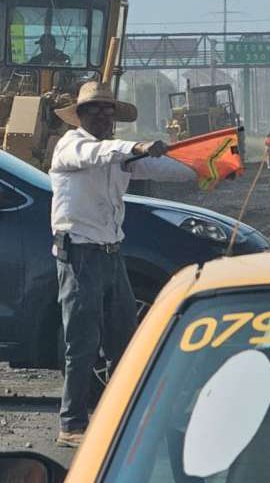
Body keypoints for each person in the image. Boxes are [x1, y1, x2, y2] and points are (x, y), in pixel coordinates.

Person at [50, 81, 196, 448]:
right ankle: (71, 423)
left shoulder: (118, 155)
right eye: (93, 109)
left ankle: (122, 417)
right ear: (79, 115)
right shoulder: (71, 145)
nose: (101, 114)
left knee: (124, 342)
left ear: (114, 116)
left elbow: (164, 169)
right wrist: (137, 147)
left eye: (107, 109)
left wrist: (203, 168)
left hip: (111, 253)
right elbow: (98, 155)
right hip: (80, 254)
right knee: (81, 342)